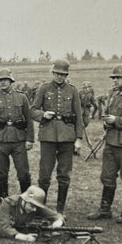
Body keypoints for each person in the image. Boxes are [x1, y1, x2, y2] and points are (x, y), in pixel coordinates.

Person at [87, 64, 122, 223]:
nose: (115, 81)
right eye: (114, 78)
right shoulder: (112, 93)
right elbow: (108, 113)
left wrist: (116, 120)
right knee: (107, 176)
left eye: (117, 78)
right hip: (111, 142)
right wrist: (107, 121)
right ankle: (105, 209)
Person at [30, 59, 83, 214]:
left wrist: (78, 138)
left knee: (64, 174)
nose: (60, 77)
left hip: (67, 137)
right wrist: (43, 114)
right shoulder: (44, 88)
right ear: (52, 73)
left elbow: (78, 116)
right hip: (48, 136)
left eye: (63, 74)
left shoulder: (72, 90)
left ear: (66, 75)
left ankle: (60, 209)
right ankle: (41, 208)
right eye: (57, 74)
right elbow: (33, 110)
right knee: (44, 174)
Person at [0, 68, 34, 198]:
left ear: (11, 81)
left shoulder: (22, 97)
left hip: (19, 140)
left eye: (5, 80)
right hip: (0, 141)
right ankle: (4, 200)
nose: (3, 83)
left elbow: (29, 119)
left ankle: (26, 201)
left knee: (23, 173)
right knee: (2, 173)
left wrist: (30, 139)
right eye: (0, 80)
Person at [0, 185, 64, 242]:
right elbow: (2, 228)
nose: (34, 210)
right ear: (24, 200)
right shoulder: (9, 203)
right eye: (32, 206)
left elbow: (56, 215)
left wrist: (58, 221)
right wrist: (23, 237)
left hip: (3, 215)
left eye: (36, 207)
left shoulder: (34, 206)